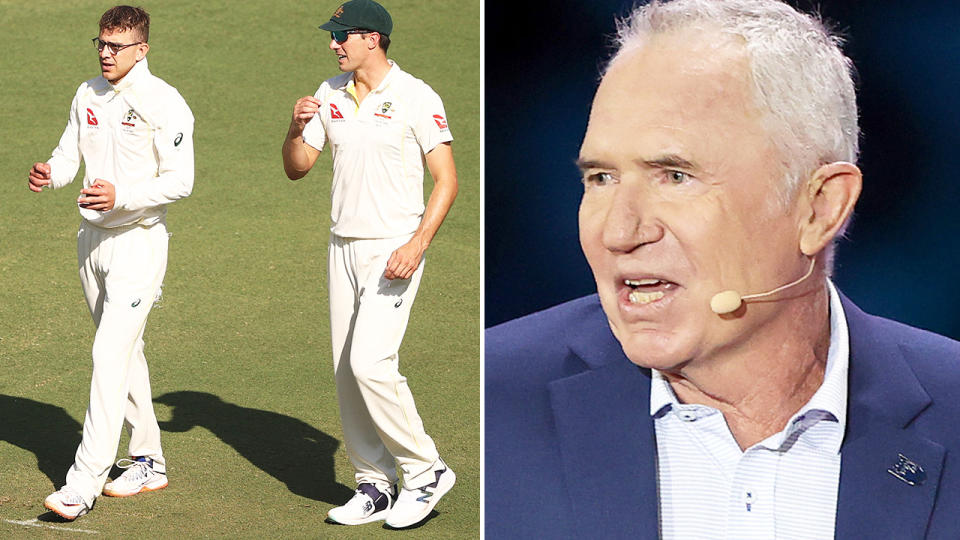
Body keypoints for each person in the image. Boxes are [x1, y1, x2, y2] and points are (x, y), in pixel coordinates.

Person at [485, 0, 960, 538]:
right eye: (601, 178)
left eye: (675, 176)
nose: (619, 232)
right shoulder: (481, 405)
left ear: (820, 207)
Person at [281, 0, 458, 528]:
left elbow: (446, 180)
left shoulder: (415, 96)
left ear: (372, 39)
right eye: (333, 37)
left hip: (393, 249)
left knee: (371, 364)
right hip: (343, 246)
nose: (333, 45)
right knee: (345, 372)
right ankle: (374, 483)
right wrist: (294, 128)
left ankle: (425, 470)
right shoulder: (327, 93)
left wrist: (417, 243)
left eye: (342, 37)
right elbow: (298, 168)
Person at [27, 5, 194, 521]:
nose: (105, 53)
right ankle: (148, 459)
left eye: (115, 45)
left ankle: (84, 481)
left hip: (139, 243)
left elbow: (180, 181)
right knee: (126, 355)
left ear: (141, 49)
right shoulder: (88, 94)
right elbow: (69, 152)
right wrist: (51, 173)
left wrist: (122, 196)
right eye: (100, 43)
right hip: (91, 243)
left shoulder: (164, 103)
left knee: (107, 354)